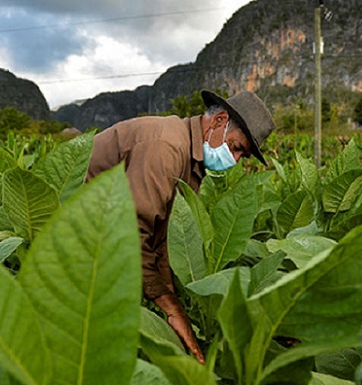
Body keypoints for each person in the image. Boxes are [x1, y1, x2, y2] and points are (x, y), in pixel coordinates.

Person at [86, 89, 275, 364]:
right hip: (71, 232)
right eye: (235, 147)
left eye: (241, 155)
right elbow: (130, 235)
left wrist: (173, 307)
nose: (234, 160)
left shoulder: (190, 161)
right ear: (219, 121)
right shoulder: (167, 147)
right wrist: (168, 305)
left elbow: (160, 238)